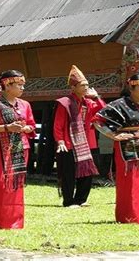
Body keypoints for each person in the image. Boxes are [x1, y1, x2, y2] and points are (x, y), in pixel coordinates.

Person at [92, 74, 139, 224]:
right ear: (131, 88)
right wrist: (112, 135)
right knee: (129, 180)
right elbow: (97, 120)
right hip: (126, 146)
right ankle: (127, 216)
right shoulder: (119, 105)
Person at [0, 70, 36, 229]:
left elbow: (31, 124)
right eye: (19, 85)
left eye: (23, 84)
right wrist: (7, 127)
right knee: (0, 184)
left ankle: (15, 222)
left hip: (20, 148)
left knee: (17, 184)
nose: (23, 88)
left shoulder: (25, 105)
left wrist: (27, 128)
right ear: (7, 86)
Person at [53, 65, 105, 208]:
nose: (86, 88)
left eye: (87, 85)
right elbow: (58, 124)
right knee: (69, 174)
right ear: (73, 87)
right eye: (83, 85)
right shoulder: (65, 103)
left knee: (87, 172)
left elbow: (103, 111)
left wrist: (97, 97)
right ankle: (69, 201)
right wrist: (60, 141)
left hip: (86, 143)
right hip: (69, 142)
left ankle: (81, 199)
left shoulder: (88, 102)